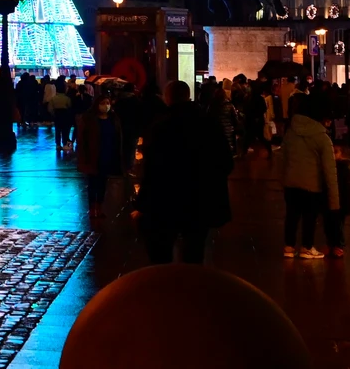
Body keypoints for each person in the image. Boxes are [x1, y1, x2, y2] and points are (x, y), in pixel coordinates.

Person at [137, 81, 233, 264]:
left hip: (167, 198)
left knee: (161, 250)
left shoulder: (160, 126)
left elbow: (152, 169)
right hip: (201, 197)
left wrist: (142, 201)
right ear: (188, 96)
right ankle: (190, 286)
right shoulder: (208, 123)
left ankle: (166, 285)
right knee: (195, 249)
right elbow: (226, 162)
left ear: (168, 98)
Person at [278, 94, 340, 259]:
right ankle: (307, 246)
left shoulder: (291, 132)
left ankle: (289, 246)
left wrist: (282, 179)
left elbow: (282, 157)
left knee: (291, 215)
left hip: (291, 183)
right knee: (309, 217)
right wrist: (334, 199)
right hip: (312, 184)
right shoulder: (322, 138)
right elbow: (329, 170)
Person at [76, 90, 127, 218]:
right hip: (93, 155)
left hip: (108, 154)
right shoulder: (90, 119)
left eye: (108, 103)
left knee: (103, 183)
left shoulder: (113, 119)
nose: (106, 106)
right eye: (103, 103)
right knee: (93, 183)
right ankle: (93, 207)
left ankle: (100, 206)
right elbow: (83, 139)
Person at [48, 82, 76, 153]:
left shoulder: (53, 99)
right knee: (65, 130)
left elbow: (50, 109)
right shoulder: (67, 99)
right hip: (65, 116)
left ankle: (58, 144)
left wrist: (54, 115)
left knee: (57, 130)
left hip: (57, 116)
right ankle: (64, 143)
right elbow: (70, 107)